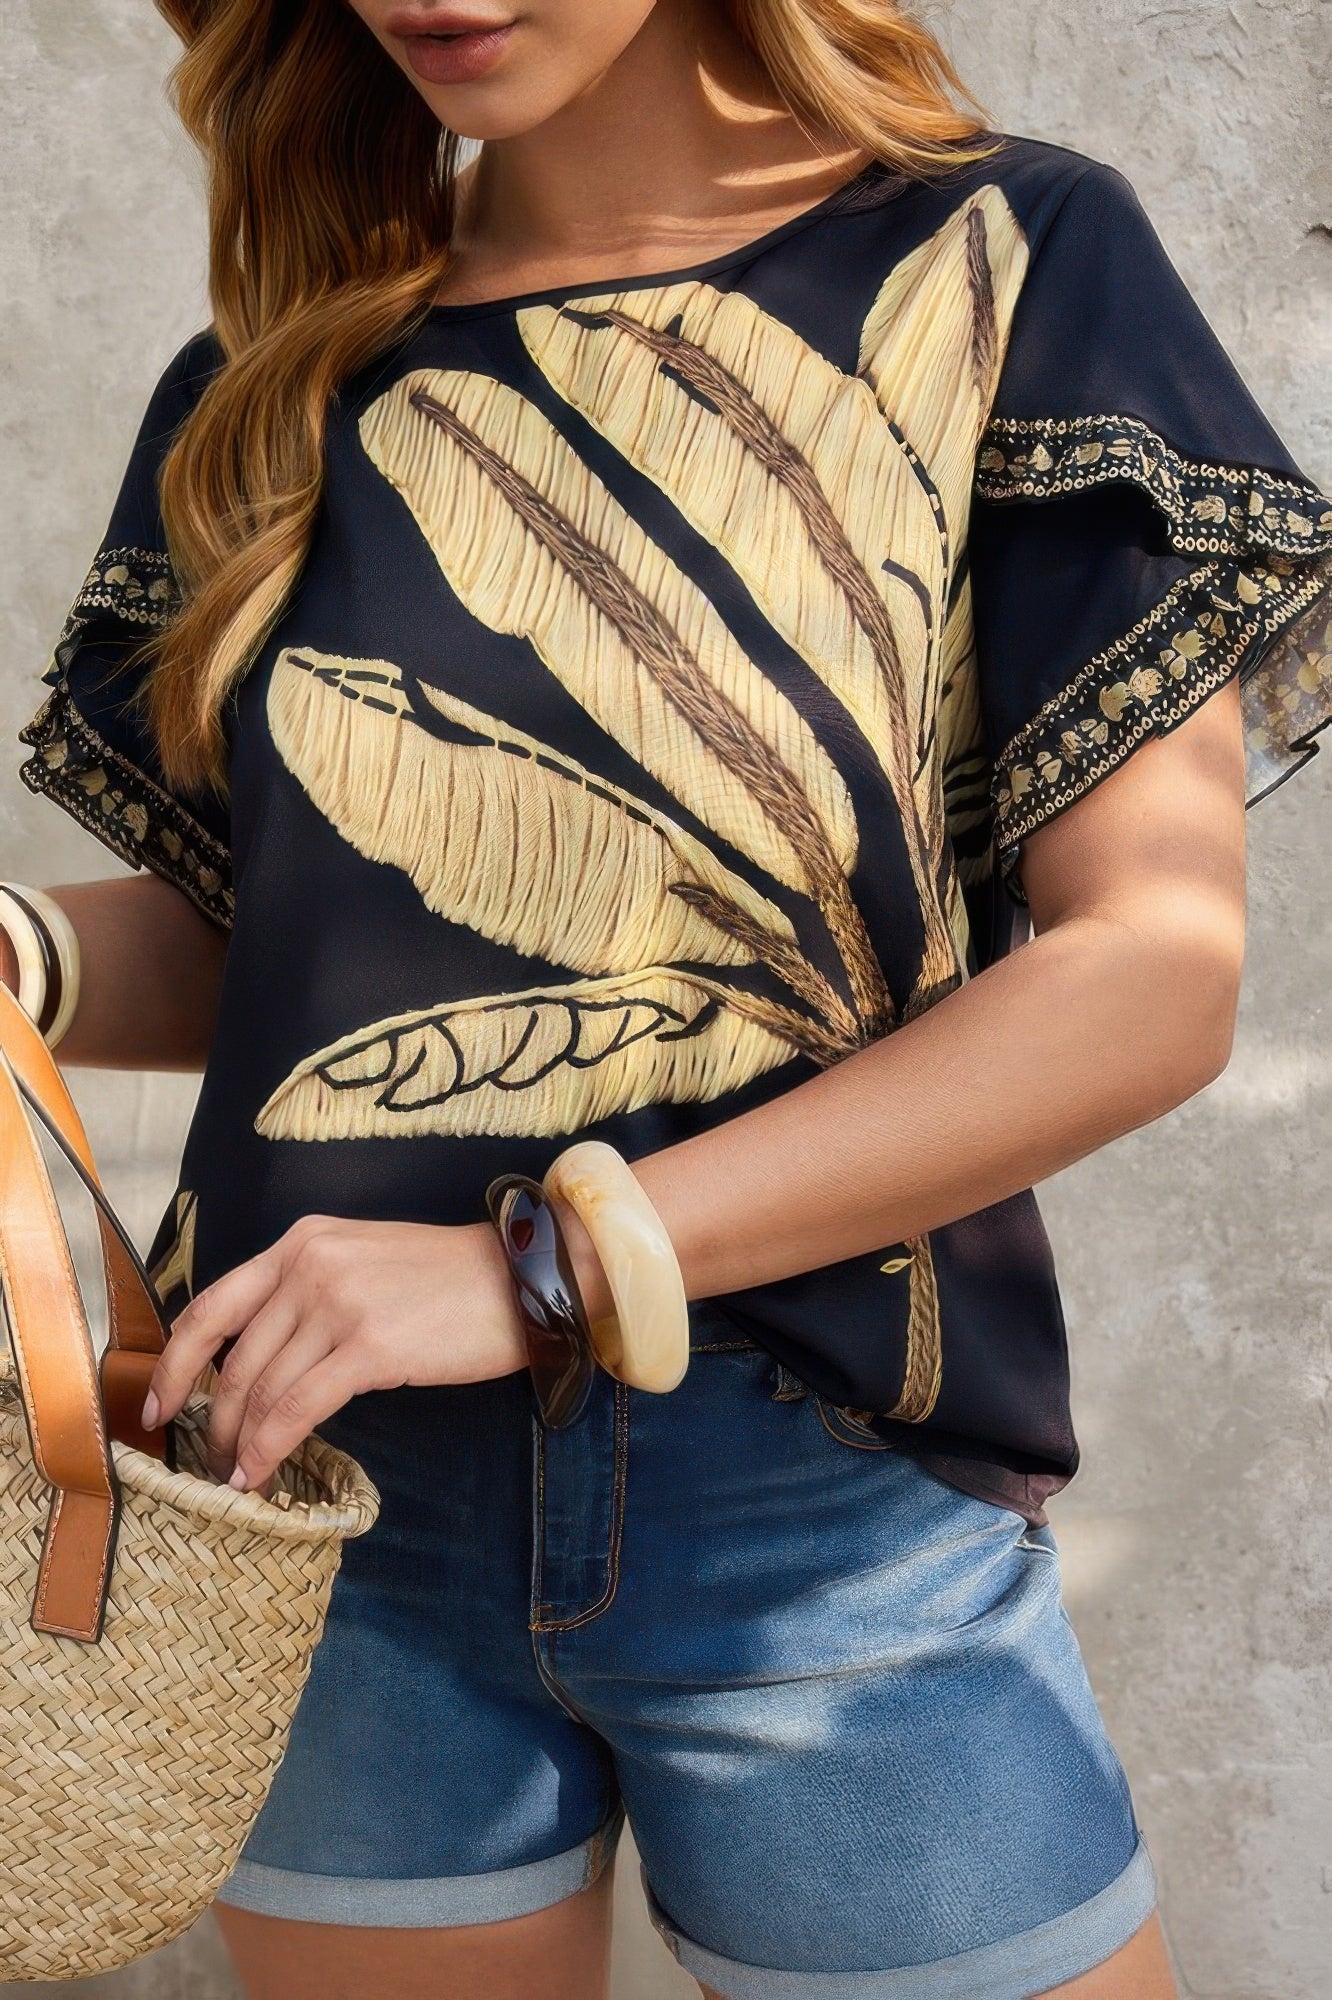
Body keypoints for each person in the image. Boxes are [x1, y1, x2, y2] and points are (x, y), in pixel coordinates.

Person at [4, 2, 1328, 1996]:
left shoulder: (1001, 265)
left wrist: (536, 1269)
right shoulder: (279, 378)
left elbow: (1148, 973)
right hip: (317, 1500)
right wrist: (26, 952)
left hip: (817, 1495)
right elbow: (286, 941)